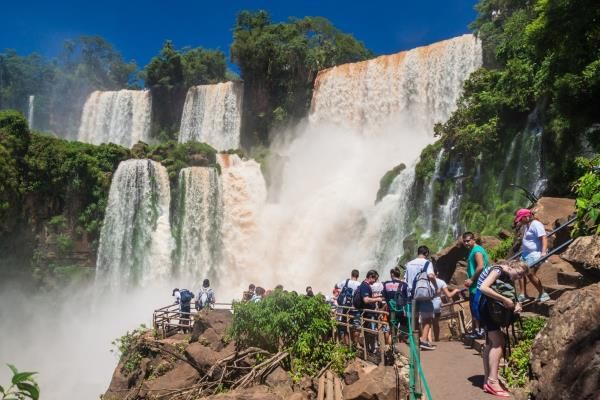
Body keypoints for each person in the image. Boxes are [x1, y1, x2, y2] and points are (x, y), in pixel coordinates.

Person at [474, 261, 527, 397]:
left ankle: (487, 380)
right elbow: (484, 288)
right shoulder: (498, 270)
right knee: (498, 342)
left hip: (487, 308)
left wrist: (516, 304)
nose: (519, 277)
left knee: (491, 343)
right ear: (511, 267)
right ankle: (493, 381)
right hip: (485, 307)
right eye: (519, 273)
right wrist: (504, 299)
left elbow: (510, 294)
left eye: (522, 276)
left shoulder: (506, 275)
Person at [404, 246, 438, 350]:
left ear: (417, 252)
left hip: (411, 294)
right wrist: (436, 287)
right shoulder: (427, 263)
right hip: (423, 294)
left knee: (413, 317)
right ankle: (423, 340)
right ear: (426, 253)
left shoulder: (409, 264)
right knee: (427, 317)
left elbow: (405, 279)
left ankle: (413, 339)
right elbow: (431, 276)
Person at [514, 209, 550, 302]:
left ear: (527, 216)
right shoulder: (526, 225)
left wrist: (543, 252)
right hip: (526, 254)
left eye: (521, 219)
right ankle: (523, 295)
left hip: (535, 254)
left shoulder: (536, 224)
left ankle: (543, 293)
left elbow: (544, 238)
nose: (520, 221)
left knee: (530, 273)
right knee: (520, 272)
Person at [462, 232, 490, 339]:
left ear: (473, 240)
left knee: (477, 308)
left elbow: (480, 267)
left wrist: (471, 279)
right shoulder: (472, 251)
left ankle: (481, 331)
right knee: (475, 308)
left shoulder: (477, 251)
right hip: (475, 285)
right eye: (464, 241)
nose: (466, 243)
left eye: (468, 240)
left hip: (478, 284)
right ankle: (478, 330)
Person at [352, 270, 384, 346]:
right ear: (370, 277)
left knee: (364, 329)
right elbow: (366, 300)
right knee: (361, 329)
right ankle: (357, 347)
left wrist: (377, 297)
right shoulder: (365, 285)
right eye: (375, 279)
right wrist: (377, 299)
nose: (375, 281)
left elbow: (367, 297)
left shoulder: (364, 285)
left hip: (362, 311)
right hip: (362, 311)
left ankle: (365, 347)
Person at [430, 272, 460, 342]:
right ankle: (437, 339)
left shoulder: (426, 281)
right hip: (436, 304)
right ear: (437, 273)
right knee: (435, 323)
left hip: (427, 303)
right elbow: (449, 295)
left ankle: (429, 340)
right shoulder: (441, 282)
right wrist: (455, 291)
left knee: (427, 323)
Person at [382, 267, 408, 345]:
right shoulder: (404, 285)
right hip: (401, 311)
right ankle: (403, 348)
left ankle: (393, 349)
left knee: (392, 331)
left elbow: (384, 298)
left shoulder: (386, 284)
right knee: (404, 330)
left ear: (392, 274)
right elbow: (406, 298)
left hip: (391, 310)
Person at [335, 269, 361, 345]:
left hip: (344, 308)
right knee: (355, 326)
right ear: (357, 276)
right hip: (354, 308)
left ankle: (343, 345)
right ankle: (354, 345)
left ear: (351, 274)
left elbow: (336, 286)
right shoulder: (359, 284)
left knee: (342, 326)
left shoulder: (345, 282)